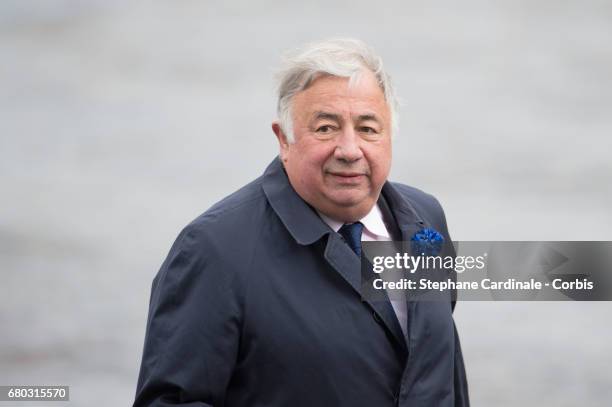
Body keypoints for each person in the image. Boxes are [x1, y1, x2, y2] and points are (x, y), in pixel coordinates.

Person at [133, 38, 469, 407]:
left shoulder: (426, 218)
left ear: (390, 137)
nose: (349, 149)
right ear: (284, 140)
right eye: (325, 128)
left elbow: (443, 370)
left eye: (368, 129)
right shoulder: (214, 249)